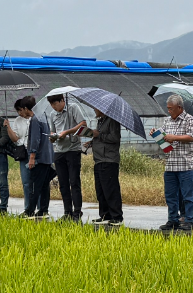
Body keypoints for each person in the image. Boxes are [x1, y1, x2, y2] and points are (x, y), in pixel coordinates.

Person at [156, 94, 193, 232]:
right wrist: (157, 135)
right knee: (170, 194)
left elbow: (192, 137)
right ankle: (172, 219)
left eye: (171, 108)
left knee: (187, 194)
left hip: (185, 164)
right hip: (170, 163)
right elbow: (164, 139)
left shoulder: (189, 120)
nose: (169, 111)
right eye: (168, 108)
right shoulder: (167, 121)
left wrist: (173, 137)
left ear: (179, 107)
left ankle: (189, 220)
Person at [48, 93, 88, 222]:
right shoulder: (52, 115)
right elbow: (52, 131)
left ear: (62, 100)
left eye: (55, 103)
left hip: (73, 149)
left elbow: (83, 124)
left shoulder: (73, 108)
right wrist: (53, 136)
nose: (53, 107)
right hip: (59, 151)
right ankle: (67, 212)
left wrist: (67, 132)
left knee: (74, 182)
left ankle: (77, 212)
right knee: (63, 183)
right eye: (51, 104)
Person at [86, 107, 123, 224]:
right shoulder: (101, 121)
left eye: (95, 109)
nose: (94, 111)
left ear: (102, 109)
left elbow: (115, 138)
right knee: (101, 190)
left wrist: (99, 135)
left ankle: (116, 216)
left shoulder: (112, 120)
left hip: (109, 159)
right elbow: (101, 137)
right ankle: (105, 214)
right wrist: (92, 142)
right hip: (99, 159)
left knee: (110, 189)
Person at [23, 99, 55, 216]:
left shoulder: (35, 119)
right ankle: (43, 210)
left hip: (39, 158)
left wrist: (32, 157)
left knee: (34, 185)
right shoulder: (44, 117)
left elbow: (35, 140)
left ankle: (30, 211)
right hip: (47, 157)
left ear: (26, 109)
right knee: (44, 185)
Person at [8, 98, 35, 207]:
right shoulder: (17, 120)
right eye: (18, 111)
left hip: (34, 152)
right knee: (26, 182)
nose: (20, 113)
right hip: (23, 152)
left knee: (36, 181)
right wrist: (8, 127)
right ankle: (27, 207)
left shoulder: (35, 119)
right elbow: (15, 138)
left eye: (21, 110)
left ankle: (40, 207)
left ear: (26, 108)